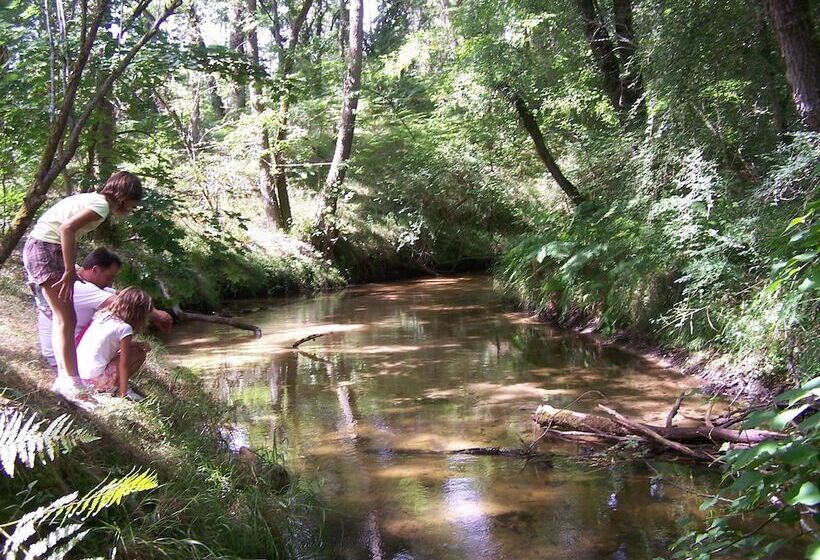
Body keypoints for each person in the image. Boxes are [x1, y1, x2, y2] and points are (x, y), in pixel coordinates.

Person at [22, 171, 143, 399]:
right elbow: (66, 229)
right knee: (65, 319)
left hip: (44, 248)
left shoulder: (94, 200)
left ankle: (66, 379)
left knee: (64, 319)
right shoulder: (101, 206)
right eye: (132, 203)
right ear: (124, 196)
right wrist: (69, 270)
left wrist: (71, 267)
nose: (132, 208)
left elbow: (65, 231)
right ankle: (71, 382)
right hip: (45, 249)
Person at [34, 247, 173, 370]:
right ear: (95, 270)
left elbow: (118, 294)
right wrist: (157, 314)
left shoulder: (79, 280)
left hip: (68, 349)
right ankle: (107, 386)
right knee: (136, 353)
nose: (110, 283)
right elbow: (128, 304)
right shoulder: (81, 288)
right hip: (63, 357)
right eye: (108, 277)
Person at [76, 287, 153, 397]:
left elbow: (109, 343)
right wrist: (123, 393)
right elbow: (123, 365)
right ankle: (116, 389)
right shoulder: (124, 328)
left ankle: (113, 386)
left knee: (134, 349)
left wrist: (138, 344)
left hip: (79, 377)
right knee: (138, 353)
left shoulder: (102, 316)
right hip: (94, 383)